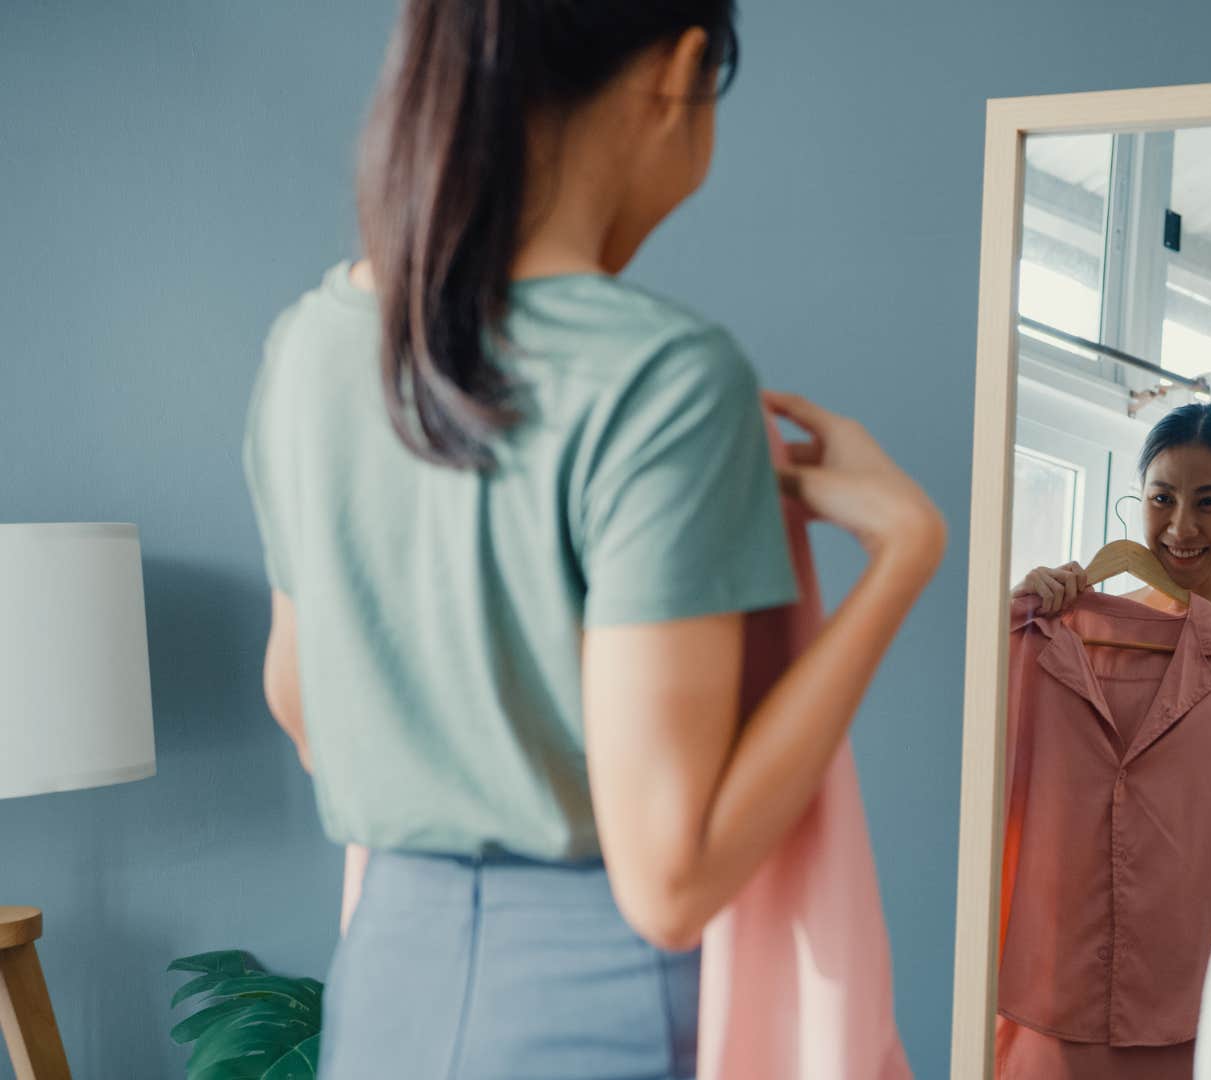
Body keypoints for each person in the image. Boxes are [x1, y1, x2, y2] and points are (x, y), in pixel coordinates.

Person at [241, 3, 943, 1077]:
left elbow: (303, 707)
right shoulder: (663, 377)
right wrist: (901, 559)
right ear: (683, 69)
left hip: (386, 988)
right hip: (591, 1009)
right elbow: (671, 883)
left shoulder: (311, 347)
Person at [1013, 403, 1211, 705]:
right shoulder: (1057, 628)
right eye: (1162, 498)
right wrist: (1008, 623)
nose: (1181, 529)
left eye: (1208, 501)